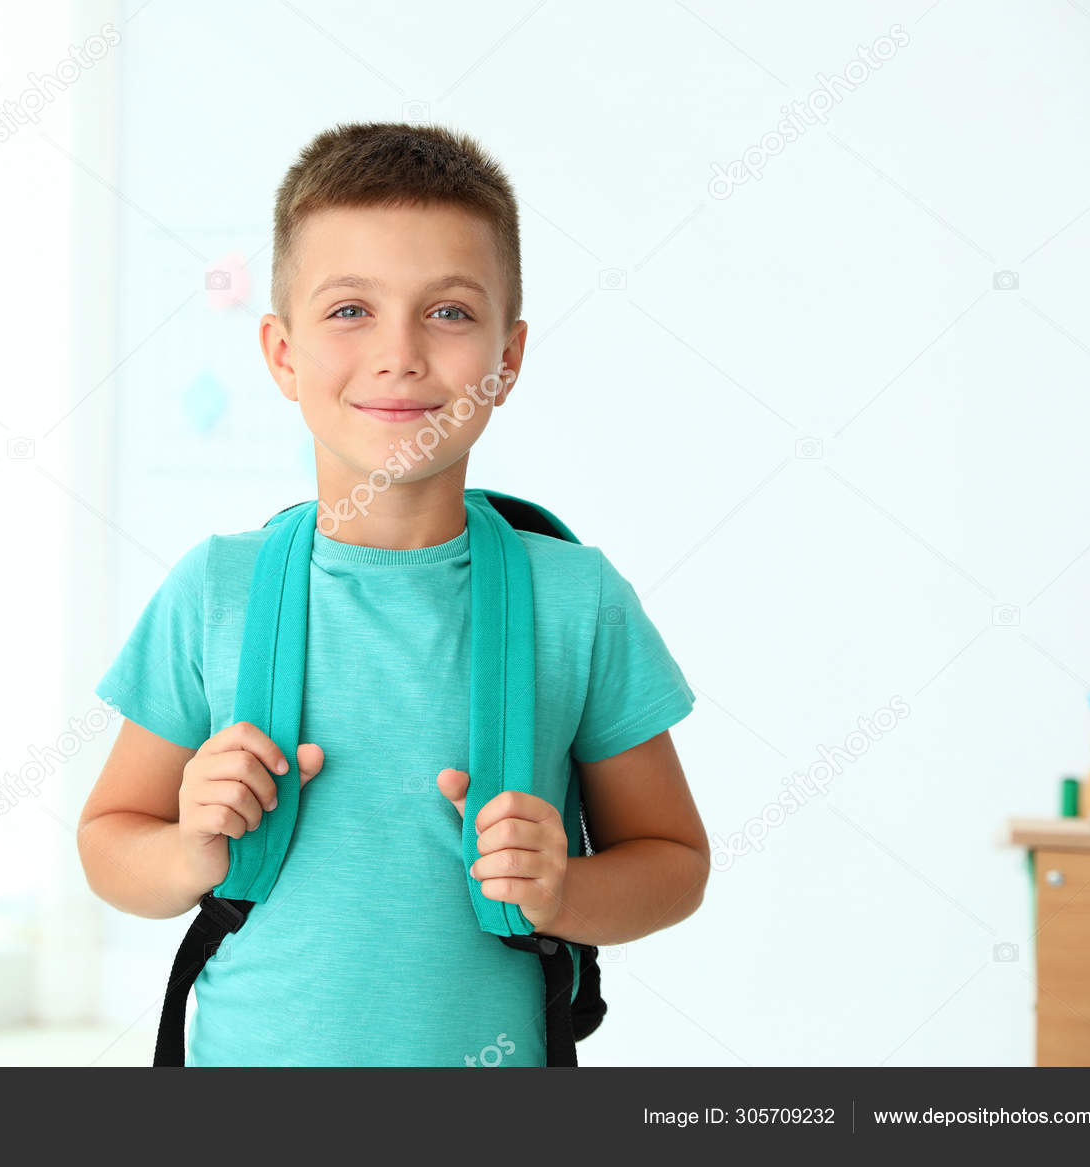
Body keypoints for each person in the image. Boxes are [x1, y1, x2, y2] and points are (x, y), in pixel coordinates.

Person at [77, 122, 709, 1066]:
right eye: (349, 312)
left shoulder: (578, 601)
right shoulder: (215, 589)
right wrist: (188, 849)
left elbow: (674, 862)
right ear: (282, 354)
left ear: (509, 356)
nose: (401, 354)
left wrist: (563, 889)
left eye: (449, 312)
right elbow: (107, 841)